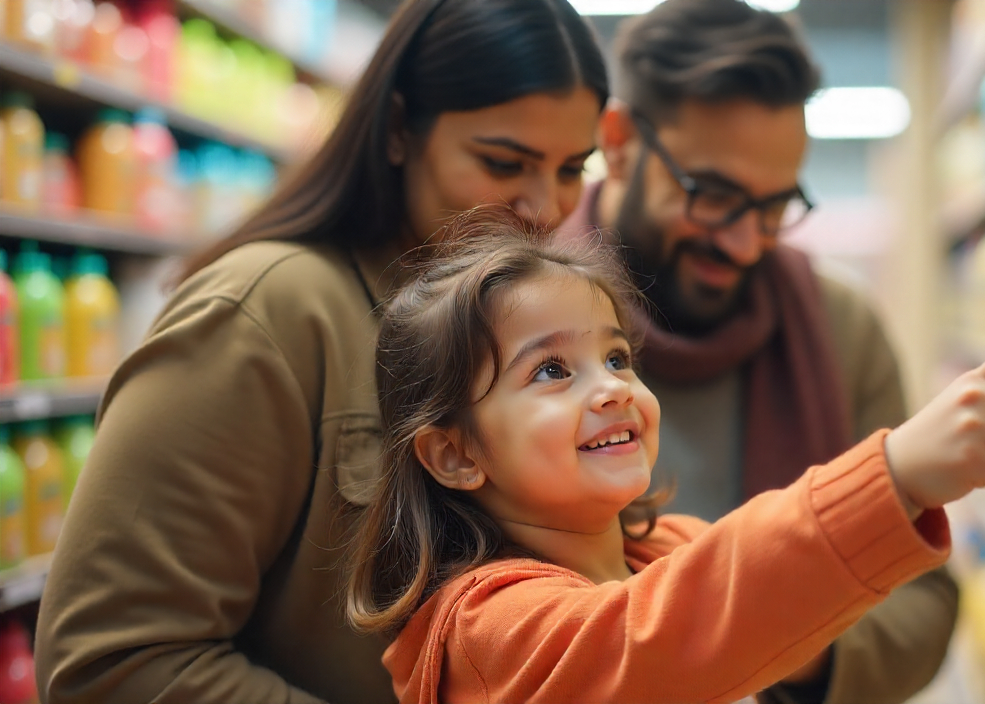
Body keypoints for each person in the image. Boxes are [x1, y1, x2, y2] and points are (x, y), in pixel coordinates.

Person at [34, 1, 609, 702]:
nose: (544, 208)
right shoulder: (269, 311)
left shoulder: (524, 319)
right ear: (399, 129)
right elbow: (109, 661)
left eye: (572, 169)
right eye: (502, 162)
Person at [346, 210, 985, 704]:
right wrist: (893, 475)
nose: (612, 391)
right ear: (455, 454)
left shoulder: (664, 551)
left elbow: (736, 595)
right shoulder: (487, 632)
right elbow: (668, 630)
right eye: (552, 371)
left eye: (617, 357)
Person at [560, 1, 961, 699]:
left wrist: (784, 641)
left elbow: (923, 604)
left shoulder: (841, 331)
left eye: (775, 207)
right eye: (714, 195)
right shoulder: (508, 320)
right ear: (620, 141)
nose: (747, 243)